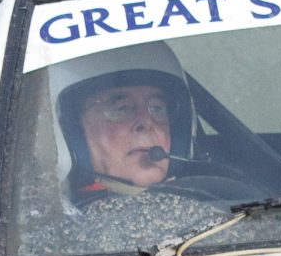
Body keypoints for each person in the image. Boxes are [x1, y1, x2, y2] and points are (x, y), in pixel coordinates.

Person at [46, 41, 195, 207]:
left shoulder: (213, 198)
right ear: (73, 129)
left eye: (157, 108)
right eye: (121, 109)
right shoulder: (56, 224)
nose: (146, 122)